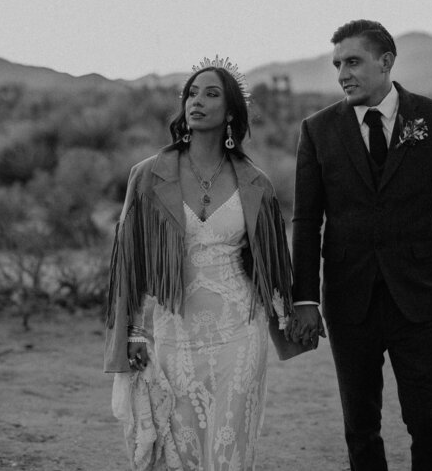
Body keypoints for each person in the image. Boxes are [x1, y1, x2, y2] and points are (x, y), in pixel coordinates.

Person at [288, 20, 432, 471]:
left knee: (426, 418)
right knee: (360, 426)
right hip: (348, 300)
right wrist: (304, 297)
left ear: (386, 62)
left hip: (416, 295)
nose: (342, 74)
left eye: (353, 61)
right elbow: (306, 221)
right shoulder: (318, 130)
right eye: (337, 65)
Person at [105, 56, 308, 470]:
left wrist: (296, 316)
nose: (196, 101)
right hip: (175, 332)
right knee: (179, 445)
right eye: (191, 93)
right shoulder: (147, 176)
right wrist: (134, 330)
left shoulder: (256, 183)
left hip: (240, 332)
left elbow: (270, 264)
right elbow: (131, 261)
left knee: (229, 447)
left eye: (211, 93)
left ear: (231, 112)